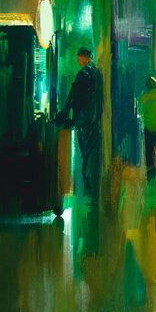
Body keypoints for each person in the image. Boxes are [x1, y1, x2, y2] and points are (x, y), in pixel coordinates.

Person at [54, 46, 103, 198]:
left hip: (83, 117)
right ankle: (87, 181)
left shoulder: (84, 74)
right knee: (87, 150)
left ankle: (86, 181)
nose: (78, 61)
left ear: (84, 57)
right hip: (91, 117)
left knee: (84, 150)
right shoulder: (94, 71)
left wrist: (65, 113)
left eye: (79, 58)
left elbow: (74, 96)